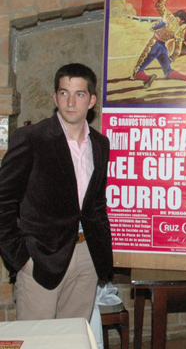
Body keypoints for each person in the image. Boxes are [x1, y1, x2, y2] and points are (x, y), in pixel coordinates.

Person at [0, 63, 113, 321]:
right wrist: (21, 257)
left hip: (87, 257)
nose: (70, 102)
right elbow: (3, 201)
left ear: (91, 100)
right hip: (41, 258)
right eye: (64, 93)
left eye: (79, 94)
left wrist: (100, 252)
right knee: (37, 338)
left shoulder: (100, 144)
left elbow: (96, 203)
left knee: (74, 336)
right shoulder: (31, 138)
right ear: (55, 98)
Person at [131, 0, 186, 88]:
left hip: (154, 44)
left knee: (138, 70)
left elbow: (159, 5)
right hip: (163, 49)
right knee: (168, 71)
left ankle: (147, 78)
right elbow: (177, 51)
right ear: (182, 20)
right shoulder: (179, 31)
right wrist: (171, 59)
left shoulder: (169, 17)